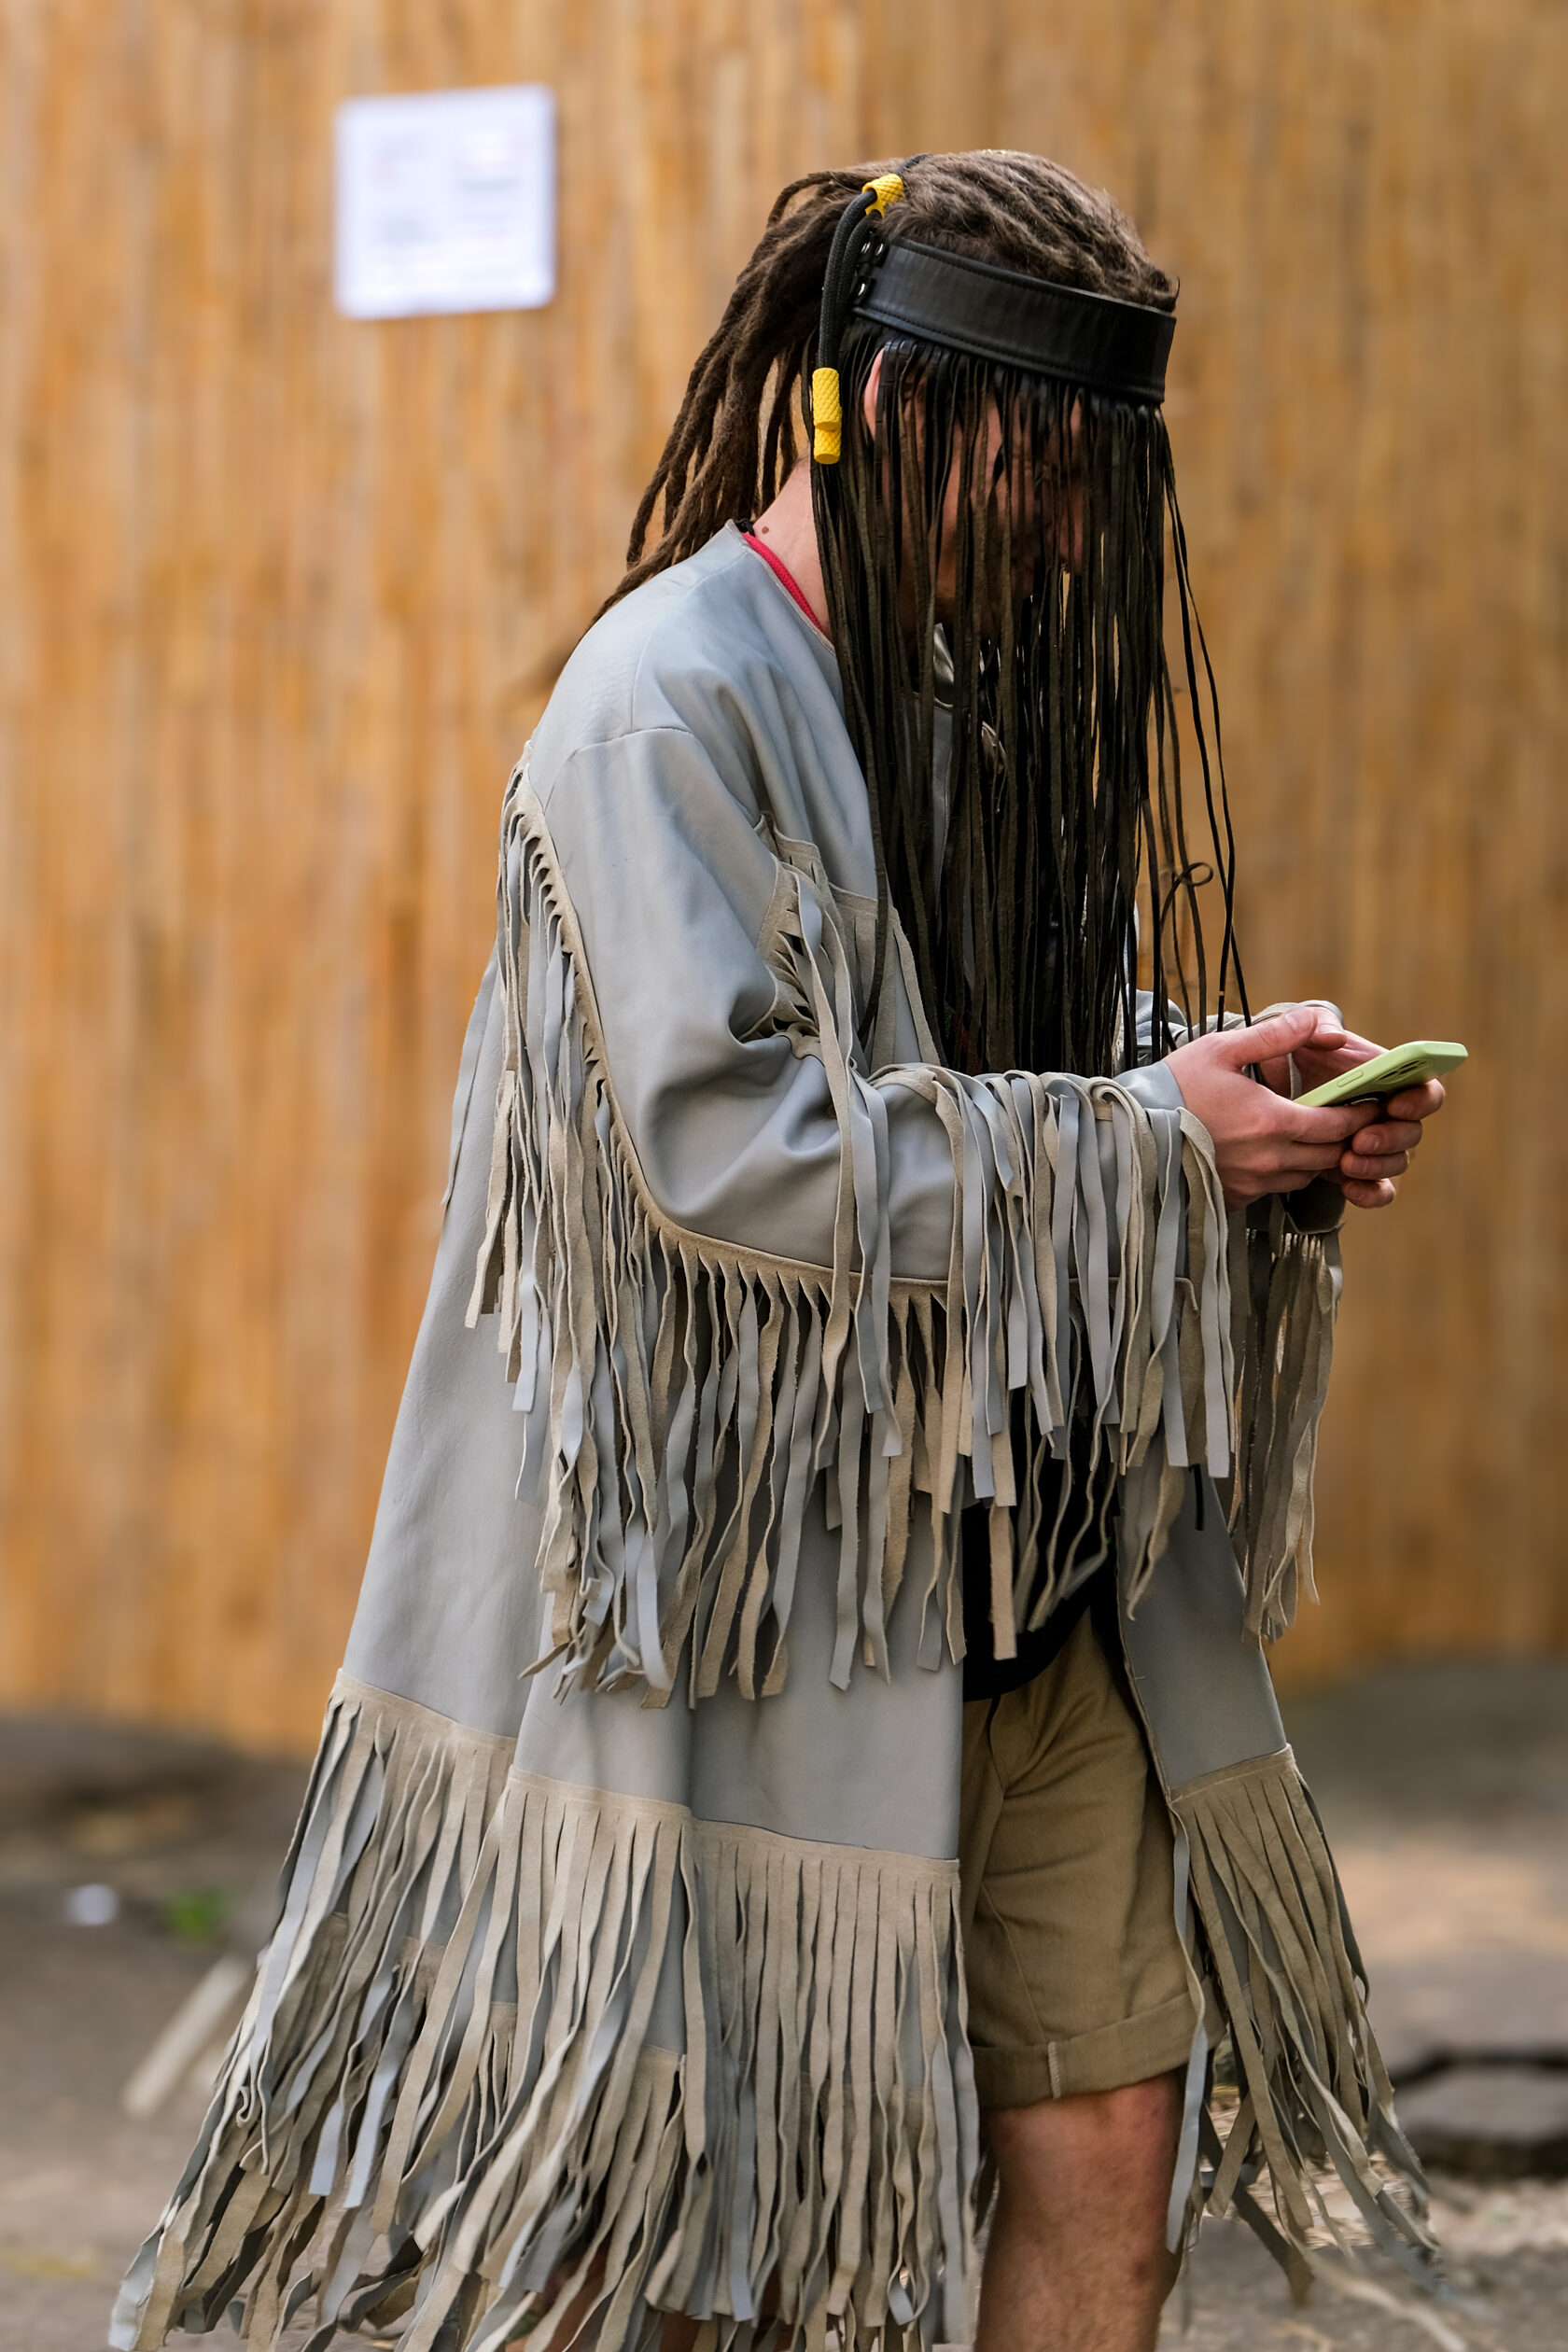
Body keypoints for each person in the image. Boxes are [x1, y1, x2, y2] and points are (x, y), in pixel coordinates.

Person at [115, 153, 1447, 2352]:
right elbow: (729, 1160)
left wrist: (1227, 1101)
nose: (1077, 528)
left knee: (1110, 2112)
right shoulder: (661, 705)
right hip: (770, 1609)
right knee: (693, 2228)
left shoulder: (960, 702)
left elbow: (985, 1058)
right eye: (1045, 464)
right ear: (898, 412)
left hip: (1045, 1566)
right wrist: (1143, 1145)